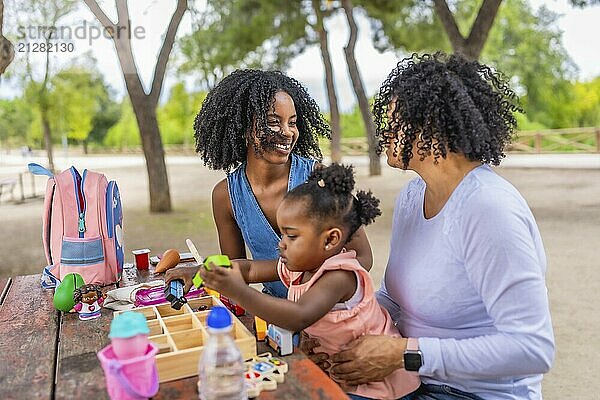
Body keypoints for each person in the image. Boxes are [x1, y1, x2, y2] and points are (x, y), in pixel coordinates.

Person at [323, 53, 555, 399]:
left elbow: (532, 348)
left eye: (393, 123)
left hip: (473, 393)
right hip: (414, 379)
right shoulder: (414, 194)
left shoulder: (488, 208)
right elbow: (394, 298)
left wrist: (404, 354)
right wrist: (339, 337)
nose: (383, 135)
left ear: (430, 126)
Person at [196, 164, 420, 400]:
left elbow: (299, 315)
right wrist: (217, 270)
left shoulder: (340, 275)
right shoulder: (300, 268)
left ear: (330, 240)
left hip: (380, 387)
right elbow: (251, 269)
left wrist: (238, 291)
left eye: (291, 236)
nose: (281, 244)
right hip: (344, 375)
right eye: (283, 234)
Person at [168, 69, 373, 299]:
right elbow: (238, 272)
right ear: (244, 128)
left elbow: (363, 257)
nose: (287, 132)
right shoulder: (226, 195)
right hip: (278, 316)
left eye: (292, 123)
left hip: (337, 314)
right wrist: (198, 273)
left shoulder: (319, 179)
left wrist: (318, 296)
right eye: (274, 122)